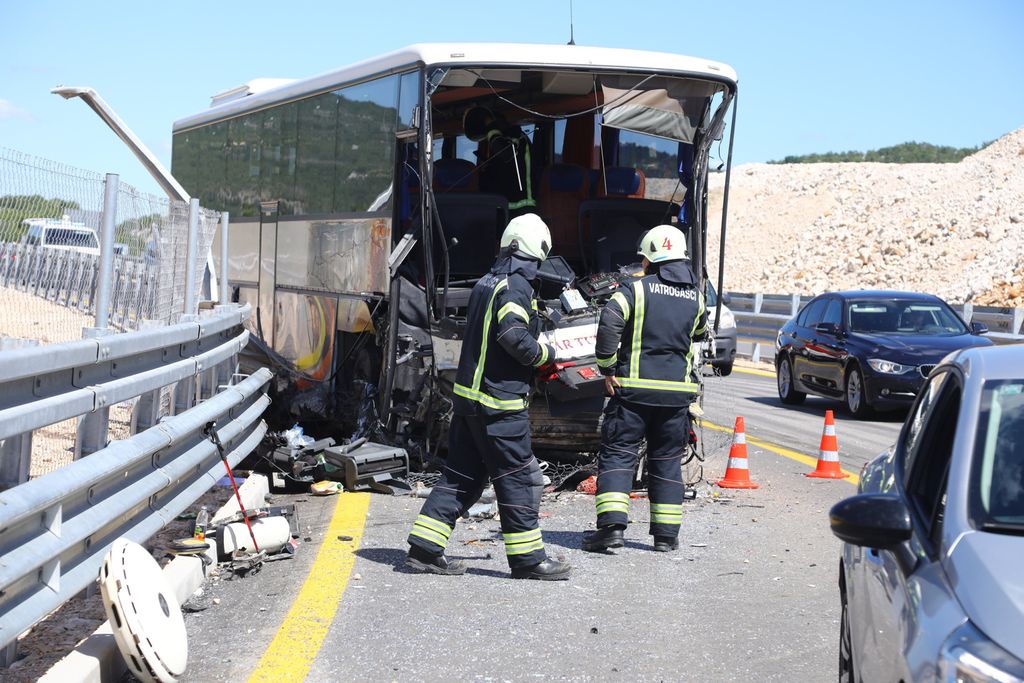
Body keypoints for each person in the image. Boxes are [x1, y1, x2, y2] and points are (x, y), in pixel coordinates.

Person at [405, 213, 570, 580]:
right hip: (499, 406)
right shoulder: (516, 286)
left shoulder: (487, 281)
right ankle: (529, 560)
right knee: (521, 479)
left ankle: (424, 548)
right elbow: (512, 335)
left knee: (461, 477)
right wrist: (545, 354)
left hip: (469, 403)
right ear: (537, 250)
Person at [583, 224, 707, 553]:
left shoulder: (634, 290)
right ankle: (666, 537)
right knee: (666, 460)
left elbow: (609, 323)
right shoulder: (696, 298)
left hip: (633, 393)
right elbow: (698, 336)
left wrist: (607, 369)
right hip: (676, 397)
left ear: (649, 261)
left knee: (619, 456)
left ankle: (611, 530)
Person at [463, 106, 537, 216]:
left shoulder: (515, 135)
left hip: (521, 208)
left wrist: (490, 127)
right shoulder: (503, 142)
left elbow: (506, 153)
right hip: (502, 207)